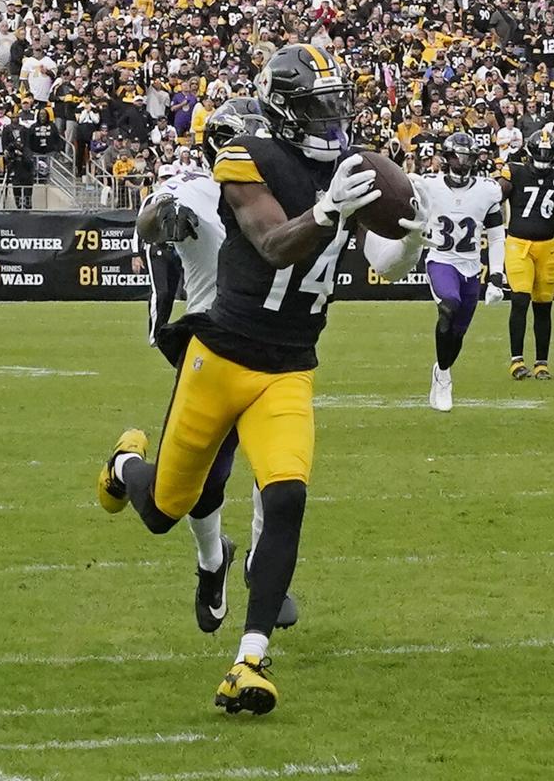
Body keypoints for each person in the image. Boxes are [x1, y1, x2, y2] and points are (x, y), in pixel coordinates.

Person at [95, 46, 429, 715]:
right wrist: (327, 212)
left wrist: (414, 245)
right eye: (315, 104)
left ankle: (248, 662)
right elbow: (275, 243)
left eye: (335, 102)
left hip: (289, 368)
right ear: (281, 106)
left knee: (288, 499)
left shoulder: (346, 167)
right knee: (164, 509)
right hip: (220, 359)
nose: (330, 116)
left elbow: (383, 263)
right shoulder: (243, 158)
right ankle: (124, 464)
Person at [107, 98, 298, 635]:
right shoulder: (193, 186)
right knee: (194, 490)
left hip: (275, 348)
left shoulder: (284, 184)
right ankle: (211, 560)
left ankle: (263, 571)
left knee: (277, 471)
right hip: (213, 348)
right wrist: (160, 221)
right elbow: (148, 221)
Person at [417, 132, 506, 411]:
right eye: (457, 156)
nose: (462, 162)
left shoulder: (487, 190)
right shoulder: (427, 185)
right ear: (446, 157)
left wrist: (496, 277)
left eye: (467, 156)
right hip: (440, 259)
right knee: (449, 305)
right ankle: (444, 379)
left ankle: (441, 369)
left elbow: (496, 236)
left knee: (457, 333)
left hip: (470, 266)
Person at [496, 129, 554, 380]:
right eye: (541, 153)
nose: (544, 158)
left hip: (548, 247)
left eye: (548, 154)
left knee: (543, 306)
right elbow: (494, 199)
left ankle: (541, 364)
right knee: (519, 300)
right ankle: (517, 361)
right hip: (519, 245)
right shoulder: (514, 172)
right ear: (530, 152)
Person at [132, 164, 186, 346]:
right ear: (158, 179)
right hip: (156, 248)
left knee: (170, 294)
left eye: (170, 177)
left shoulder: (181, 198)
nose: (167, 181)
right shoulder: (152, 199)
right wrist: (136, 253)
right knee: (160, 292)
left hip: (177, 250)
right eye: (164, 177)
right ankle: (155, 334)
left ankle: (162, 330)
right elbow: (138, 227)